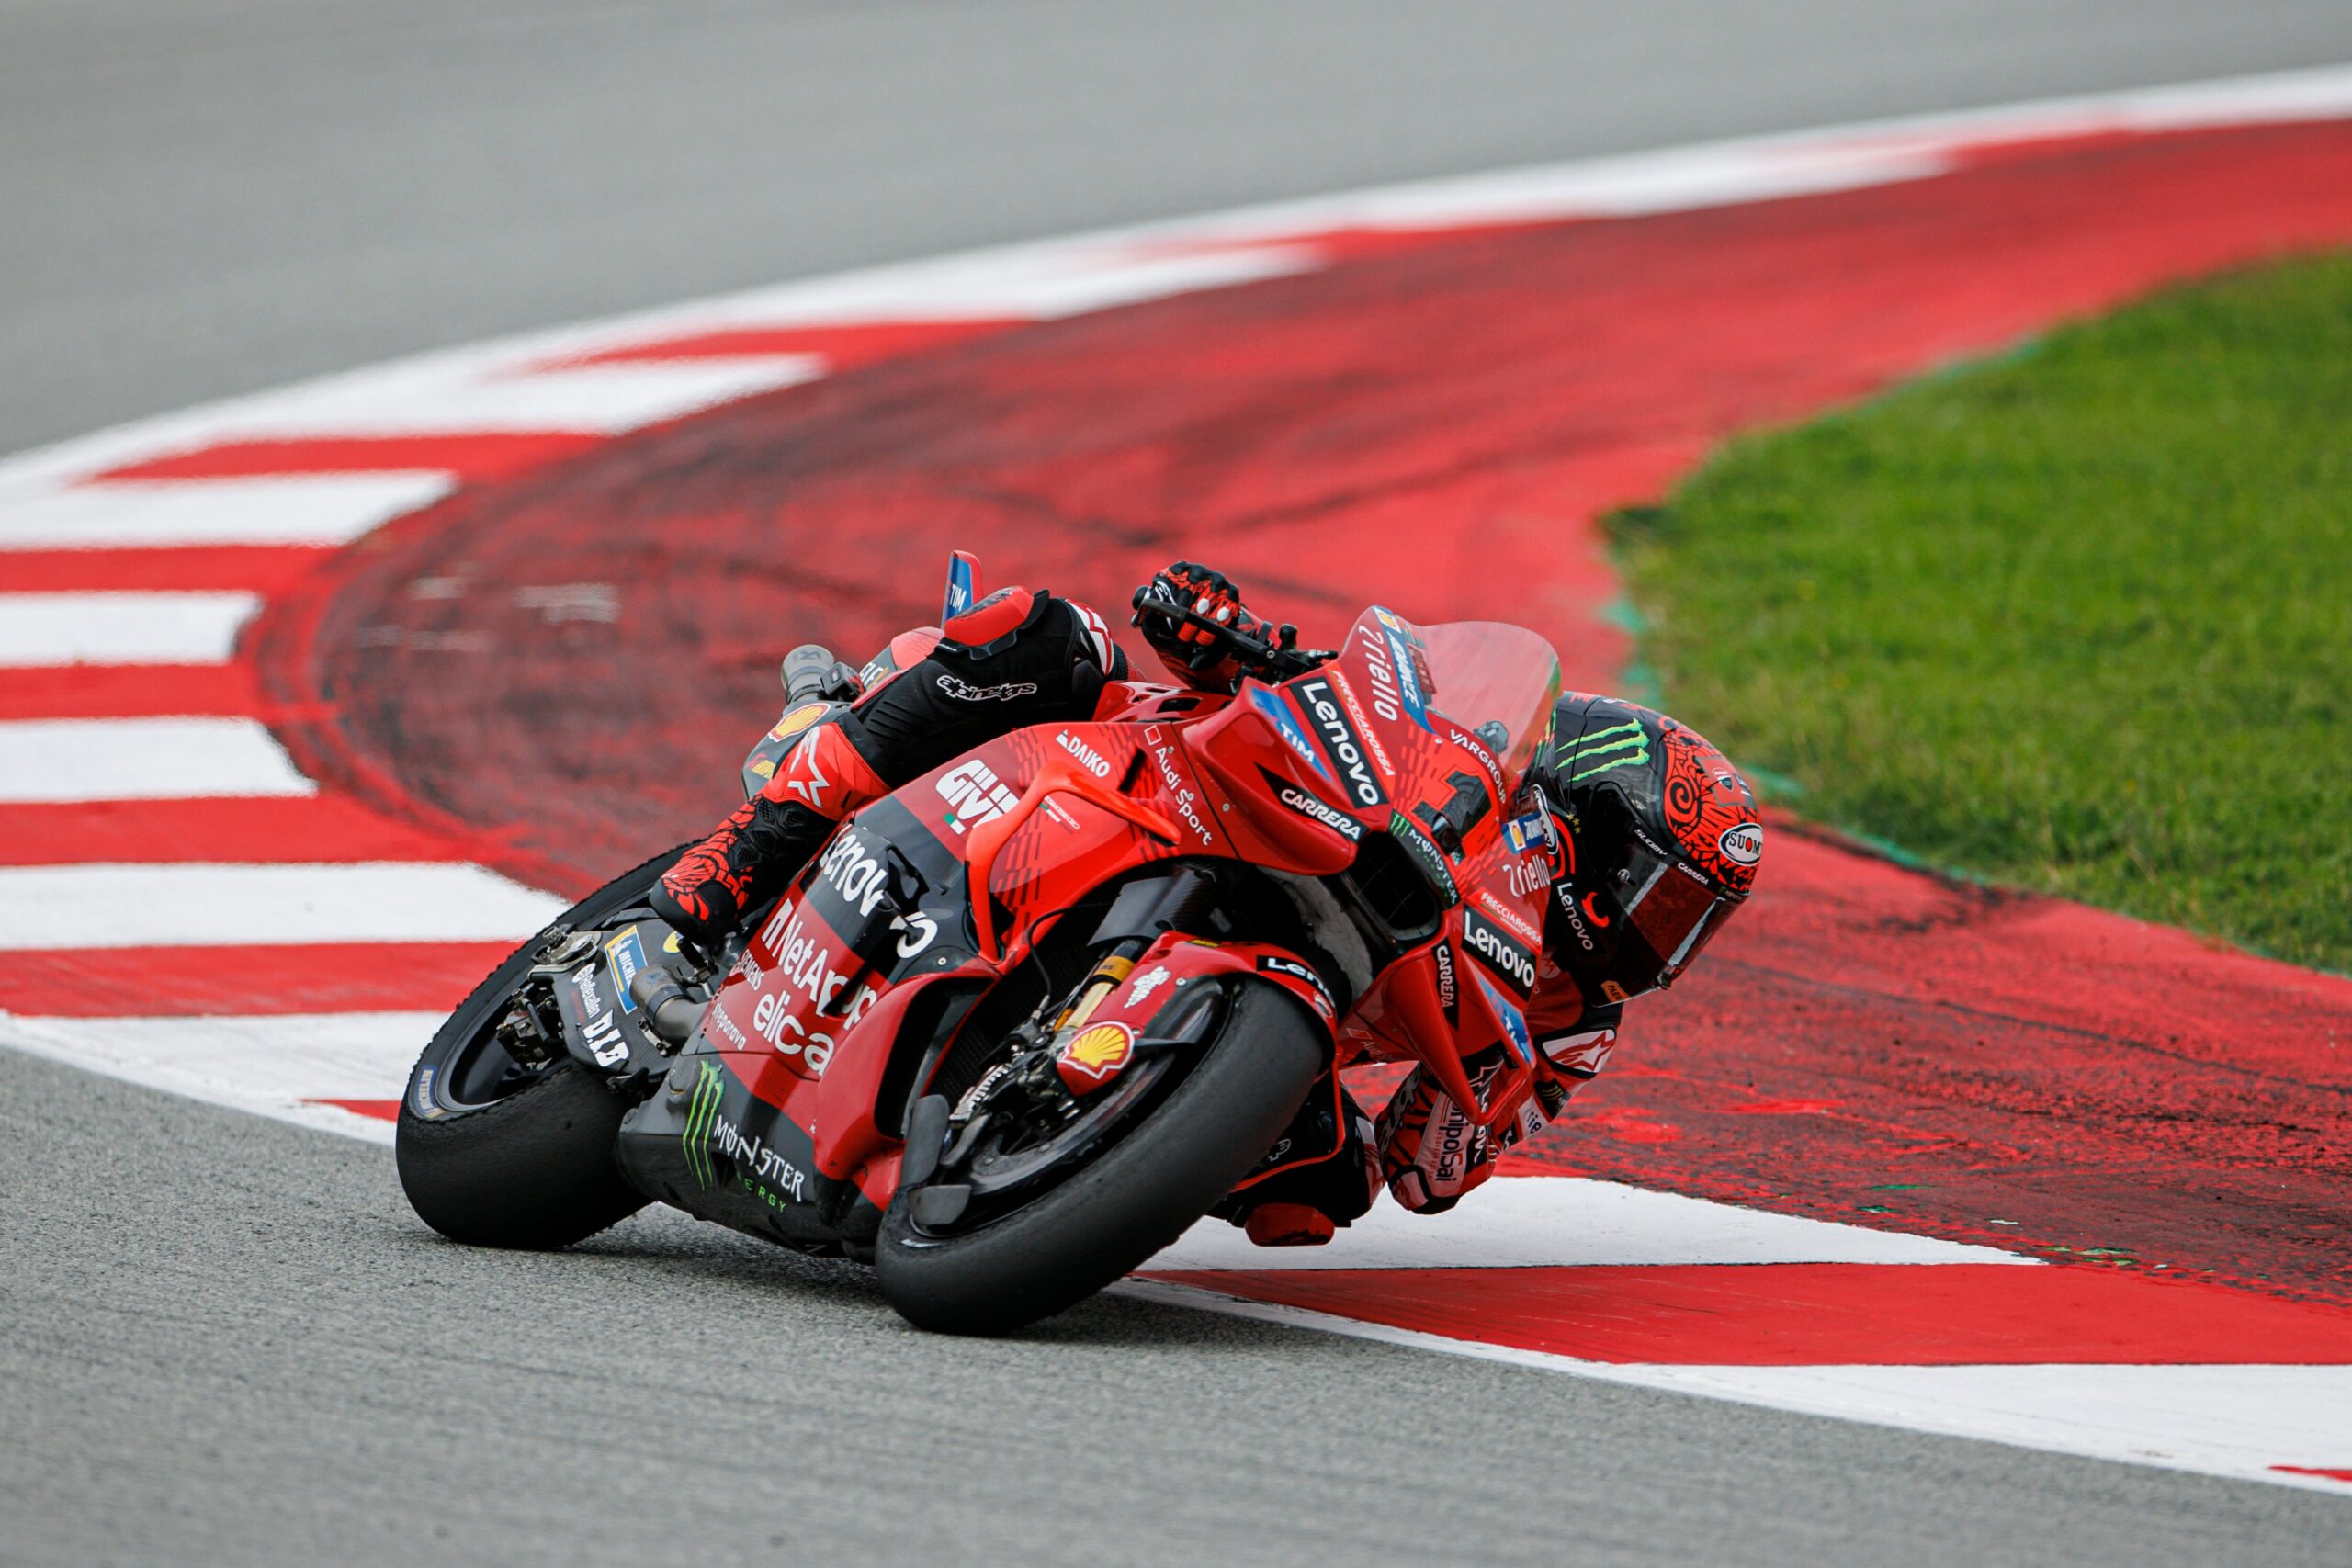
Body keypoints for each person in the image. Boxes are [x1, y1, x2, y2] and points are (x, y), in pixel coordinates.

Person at [650, 560, 1761, 1247]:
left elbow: (1424, 1172)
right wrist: (1225, 633)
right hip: (1137, 781)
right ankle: (726, 871)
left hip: (1282, 1004)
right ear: (1573, 819)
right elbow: (1340, 690)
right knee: (1040, 633)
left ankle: (1048, 1155)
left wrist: (1464, 1106)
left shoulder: (1575, 1025)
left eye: (1690, 922)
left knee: (1319, 1190)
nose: (1658, 934)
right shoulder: (1448, 768)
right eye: (1658, 893)